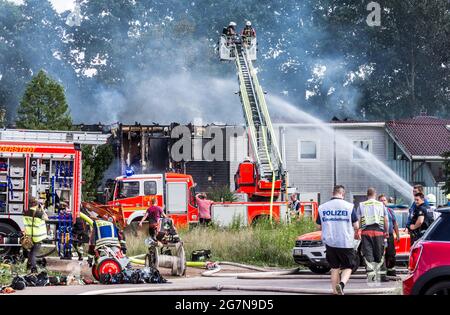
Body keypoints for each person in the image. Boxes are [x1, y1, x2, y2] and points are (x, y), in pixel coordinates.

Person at [316, 185, 359, 295]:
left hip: (330, 243)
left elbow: (318, 227)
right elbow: (356, 225)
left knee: (334, 268)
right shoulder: (349, 206)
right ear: (343, 194)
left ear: (332, 193)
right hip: (345, 242)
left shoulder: (322, 207)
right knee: (349, 266)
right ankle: (342, 285)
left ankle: (335, 292)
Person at [357, 188, 389, 283]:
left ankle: (371, 277)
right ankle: (382, 276)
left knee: (368, 254)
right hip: (379, 232)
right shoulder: (381, 205)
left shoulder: (361, 205)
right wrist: (386, 231)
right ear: (375, 194)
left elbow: (358, 220)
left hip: (366, 232)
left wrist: (356, 231)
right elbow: (386, 220)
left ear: (367, 195)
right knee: (380, 254)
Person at [22, 198, 49, 273]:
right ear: (37, 204)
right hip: (37, 237)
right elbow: (47, 218)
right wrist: (42, 209)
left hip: (29, 236)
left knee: (31, 252)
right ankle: (33, 269)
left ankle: (28, 267)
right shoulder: (38, 213)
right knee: (33, 253)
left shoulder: (25, 212)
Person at [378, 194, 400, 277]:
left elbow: (395, 224)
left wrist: (397, 235)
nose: (383, 202)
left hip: (389, 235)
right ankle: (382, 273)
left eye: (384, 200)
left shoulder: (390, 211)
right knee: (380, 254)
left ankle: (391, 271)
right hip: (380, 235)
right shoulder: (377, 211)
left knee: (391, 254)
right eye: (381, 200)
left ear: (387, 201)